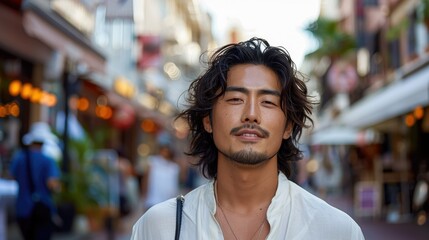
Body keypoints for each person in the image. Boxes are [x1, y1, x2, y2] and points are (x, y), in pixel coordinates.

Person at [131, 37, 365, 239]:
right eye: (235, 99)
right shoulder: (161, 227)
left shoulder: (336, 231)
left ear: (287, 127)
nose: (251, 114)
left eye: (268, 102)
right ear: (208, 120)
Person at [9, 122, 61, 240]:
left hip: (22, 208)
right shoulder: (47, 161)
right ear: (43, 142)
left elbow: (11, 176)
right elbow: (52, 183)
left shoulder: (19, 157)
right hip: (41, 208)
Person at [141, 145, 180, 210]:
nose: (164, 153)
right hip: (152, 200)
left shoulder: (174, 167)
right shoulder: (152, 162)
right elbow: (146, 179)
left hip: (167, 202)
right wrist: (144, 195)